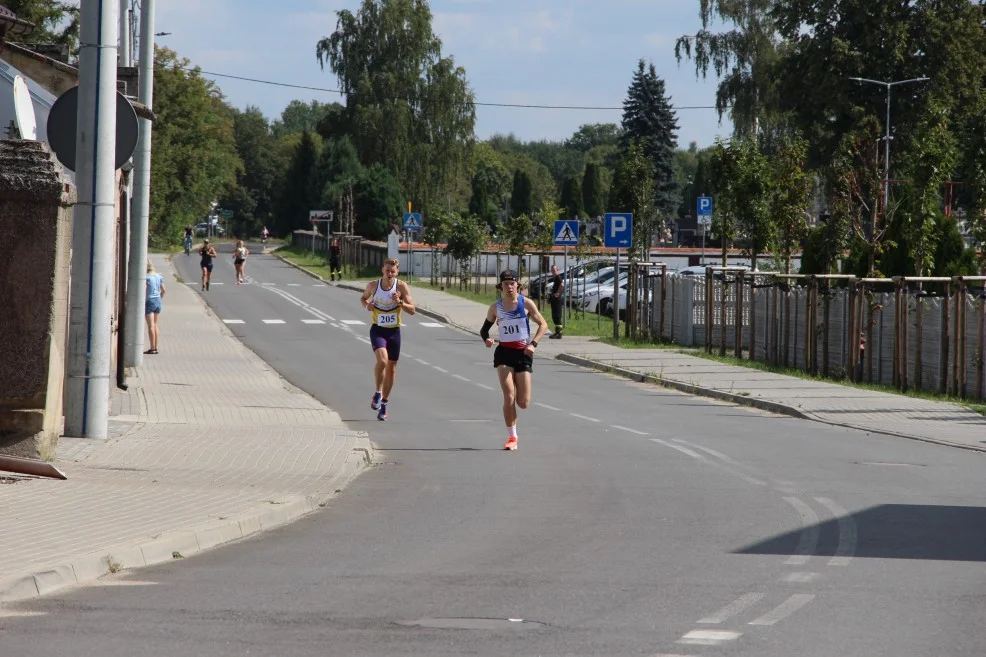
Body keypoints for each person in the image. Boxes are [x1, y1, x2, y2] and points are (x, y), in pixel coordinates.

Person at [481, 270, 549, 450]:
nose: (509, 287)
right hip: (503, 353)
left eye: (512, 283)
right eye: (505, 284)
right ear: (501, 286)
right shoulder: (495, 307)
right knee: (508, 394)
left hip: (523, 354)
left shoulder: (526, 304)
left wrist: (533, 343)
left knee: (523, 403)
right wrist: (487, 339)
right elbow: (484, 330)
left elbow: (543, 324)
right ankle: (512, 437)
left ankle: (514, 429)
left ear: (517, 285)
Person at [360, 258, 416, 421]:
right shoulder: (373, 285)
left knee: (391, 369)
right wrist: (367, 306)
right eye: (387, 271)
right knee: (382, 361)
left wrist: (399, 302)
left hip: (394, 332)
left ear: (397, 272)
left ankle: (384, 404)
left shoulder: (401, 286)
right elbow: (363, 299)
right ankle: (378, 393)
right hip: (378, 330)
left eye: (393, 271)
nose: (390, 274)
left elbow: (413, 310)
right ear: (382, 270)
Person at [144, 261, 166, 354]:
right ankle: (156, 347)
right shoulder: (158, 276)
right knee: (155, 324)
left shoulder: (147, 278)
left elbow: (143, 289)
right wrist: (160, 298)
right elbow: (164, 290)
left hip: (149, 301)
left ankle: (152, 348)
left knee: (150, 326)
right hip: (158, 301)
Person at [547, 263, 564, 339]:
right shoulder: (555, 278)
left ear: (557, 270)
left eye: (554, 270)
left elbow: (562, 285)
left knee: (557, 316)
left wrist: (557, 292)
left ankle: (559, 333)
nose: (553, 271)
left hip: (557, 300)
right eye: (552, 270)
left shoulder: (558, 277)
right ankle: (557, 332)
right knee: (555, 316)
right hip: (555, 300)